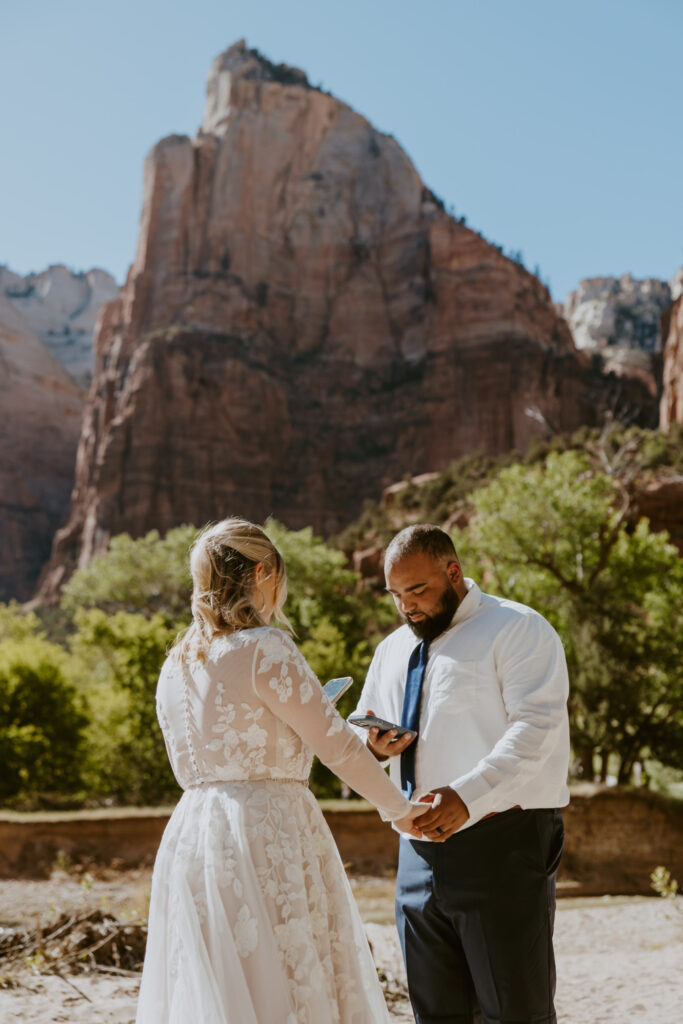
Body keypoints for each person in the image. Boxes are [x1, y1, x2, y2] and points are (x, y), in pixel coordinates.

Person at [135, 517, 422, 1024]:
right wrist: (400, 809)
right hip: (266, 831)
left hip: (192, 837)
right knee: (286, 986)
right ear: (264, 571)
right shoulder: (265, 647)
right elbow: (336, 748)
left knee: (220, 990)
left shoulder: (174, 662)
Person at [350, 524, 570, 1024]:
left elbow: (536, 730)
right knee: (435, 1013)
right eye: (396, 595)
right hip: (414, 851)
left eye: (418, 590)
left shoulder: (518, 628)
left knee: (515, 1011)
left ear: (453, 572)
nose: (407, 606)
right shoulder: (390, 651)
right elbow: (361, 726)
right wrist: (372, 744)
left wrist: (468, 795)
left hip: (504, 841)